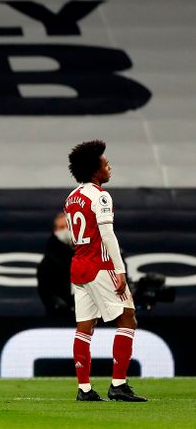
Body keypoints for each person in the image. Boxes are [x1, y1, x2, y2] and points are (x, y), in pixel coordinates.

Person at [64, 140, 146, 402]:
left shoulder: (71, 198)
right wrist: (120, 269)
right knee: (128, 318)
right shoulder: (100, 195)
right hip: (100, 265)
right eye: (105, 163)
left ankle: (84, 389)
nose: (109, 166)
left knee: (84, 326)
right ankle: (118, 385)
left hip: (78, 266)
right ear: (94, 169)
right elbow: (107, 234)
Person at [37, 213, 74, 317]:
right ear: (55, 231)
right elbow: (46, 291)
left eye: (69, 227)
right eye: (61, 227)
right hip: (61, 318)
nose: (66, 231)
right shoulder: (49, 261)